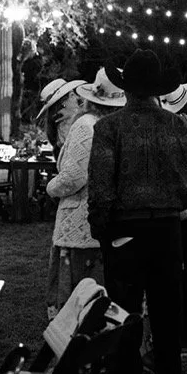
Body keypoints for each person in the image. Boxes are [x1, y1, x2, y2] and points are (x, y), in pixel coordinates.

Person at [87, 48, 187, 374]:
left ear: (126, 88)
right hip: (169, 232)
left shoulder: (110, 129)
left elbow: (101, 191)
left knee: (123, 328)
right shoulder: (181, 127)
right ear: (158, 89)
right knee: (169, 330)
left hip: (125, 235)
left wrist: (104, 234)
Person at [43, 69, 124, 317]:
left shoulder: (85, 125)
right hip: (109, 221)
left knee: (80, 296)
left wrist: (50, 188)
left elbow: (73, 177)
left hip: (81, 221)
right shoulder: (112, 125)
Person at [36, 77, 86, 151]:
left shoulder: (59, 123)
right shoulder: (66, 125)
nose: (77, 97)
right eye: (73, 94)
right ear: (71, 96)